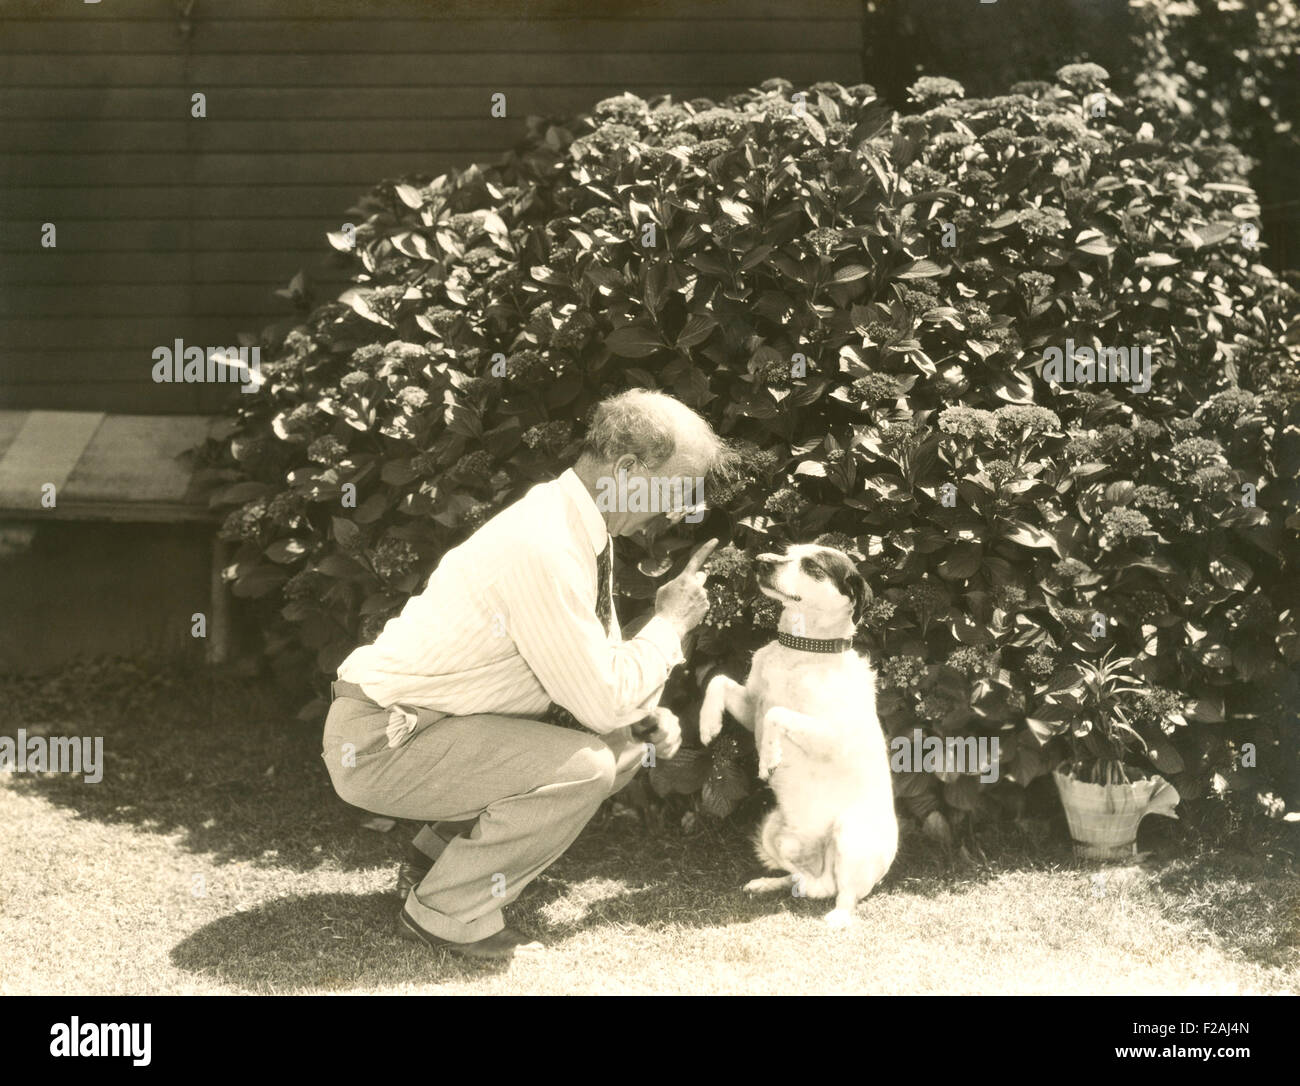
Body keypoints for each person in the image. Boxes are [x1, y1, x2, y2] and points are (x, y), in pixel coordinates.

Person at [321, 388, 734, 960]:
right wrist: (670, 625)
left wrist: (645, 714)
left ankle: (432, 859)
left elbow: (602, 682)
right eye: (679, 487)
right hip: (382, 741)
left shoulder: (575, 527)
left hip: (430, 727)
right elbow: (601, 701)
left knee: (627, 743)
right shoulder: (546, 545)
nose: (681, 508)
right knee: (588, 765)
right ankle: (446, 912)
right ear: (628, 469)